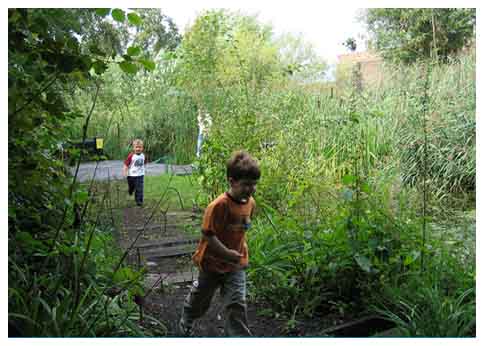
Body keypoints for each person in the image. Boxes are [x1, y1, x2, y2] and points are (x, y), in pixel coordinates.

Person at [179, 150, 261, 337]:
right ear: (232, 181)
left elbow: (243, 228)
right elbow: (208, 235)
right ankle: (188, 316)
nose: (251, 189)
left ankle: (238, 337)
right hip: (212, 263)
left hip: (235, 264)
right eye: (246, 184)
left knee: (236, 302)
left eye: (254, 184)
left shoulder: (250, 203)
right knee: (201, 300)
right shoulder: (218, 206)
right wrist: (226, 253)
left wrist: (238, 253)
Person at [123, 139, 145, 207]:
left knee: (139, 188)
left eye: (140, 147)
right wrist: (125, 172)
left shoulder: (143, 155)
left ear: (142, 148)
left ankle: (139, 201)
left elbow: (144, 163)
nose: (138, 149)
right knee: (132, 187)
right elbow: (126, 165)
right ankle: (130, 190)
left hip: (140, 175)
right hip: (131, 176)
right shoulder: (131, 156)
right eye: (136, 147)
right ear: (133, 148)